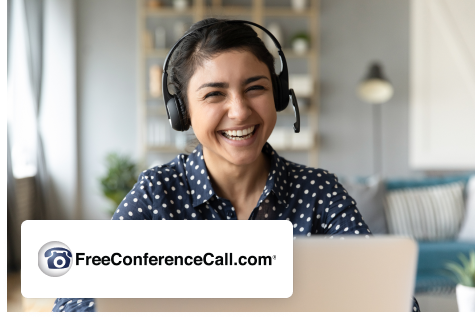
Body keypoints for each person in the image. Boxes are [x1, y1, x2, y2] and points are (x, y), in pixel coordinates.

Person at [53, 18, 420, 312]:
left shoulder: (320, 192)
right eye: (214, 94)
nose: (240, 110)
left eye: (255, 88)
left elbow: (393, 299)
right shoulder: (156, 194)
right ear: (182, 113)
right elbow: (73, 301)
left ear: (277, 95)